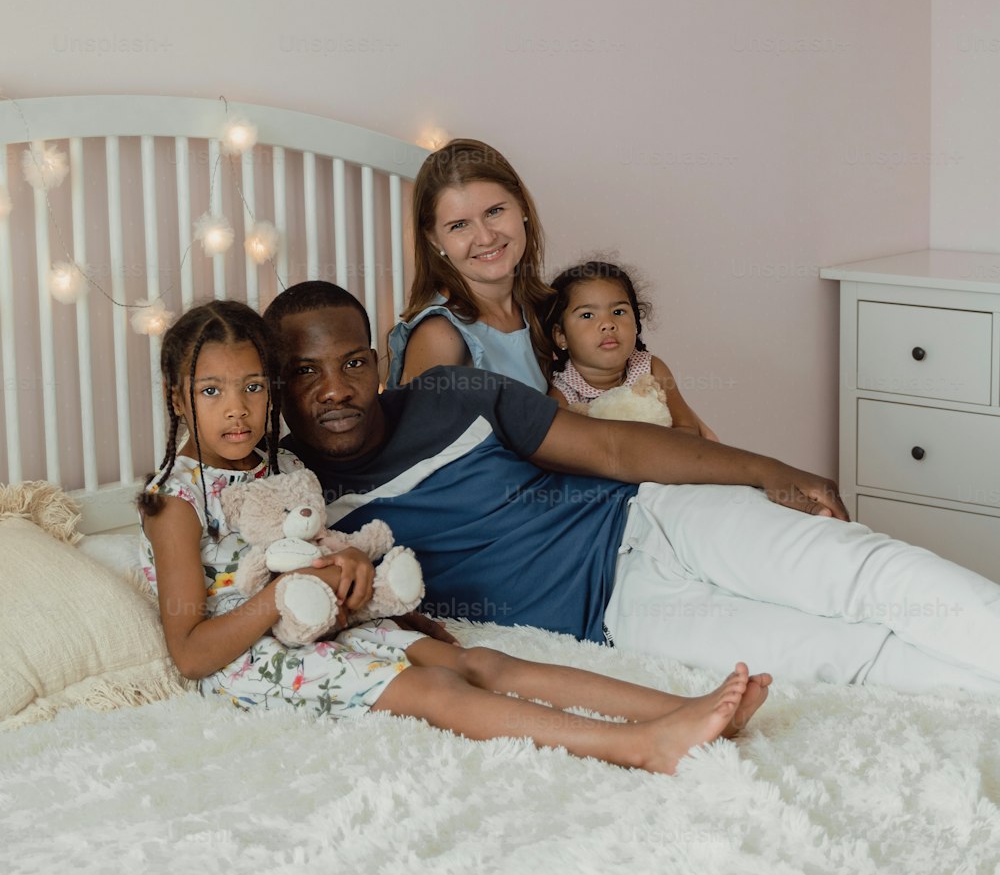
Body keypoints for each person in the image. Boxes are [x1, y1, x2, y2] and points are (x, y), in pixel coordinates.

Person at [268, 280, 1000, 695]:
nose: (336, 389)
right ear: (275, 386)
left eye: (353, 362)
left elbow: (613, 446)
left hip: (657, 519)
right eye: (305, 372)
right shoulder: (295, 501)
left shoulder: (453, 390)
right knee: (842, 657)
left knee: (868, 573)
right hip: (625, 614)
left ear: (376, 362)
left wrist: (771, 470)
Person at [137, 299, 768, 773]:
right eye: (211, 391)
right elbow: (191, 653)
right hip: (256, 659)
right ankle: (638, 746)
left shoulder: (286, 468)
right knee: (438, 688)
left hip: (320, 625)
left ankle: (674, 708)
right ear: (176, 398)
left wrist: (353, 564)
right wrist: (282, 598)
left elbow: (317, 550)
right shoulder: (176, 499)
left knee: (479, 660)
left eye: (252, 388)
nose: (237, 410)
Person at [385, 138, 551, 391]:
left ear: (522, 207)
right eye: (459, 225)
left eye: (494, 211)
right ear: (433, 238)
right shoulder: (441, 336)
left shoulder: (546, 309)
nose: (486, 238)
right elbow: (421, 430)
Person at [546, 259, 719, 440]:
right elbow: (562, 448)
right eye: (587, 315)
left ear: (635, 322)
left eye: (618, 312)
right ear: (561, 336)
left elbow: (687, 427)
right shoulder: (564, 393)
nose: (608, 324)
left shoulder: (651, 368)